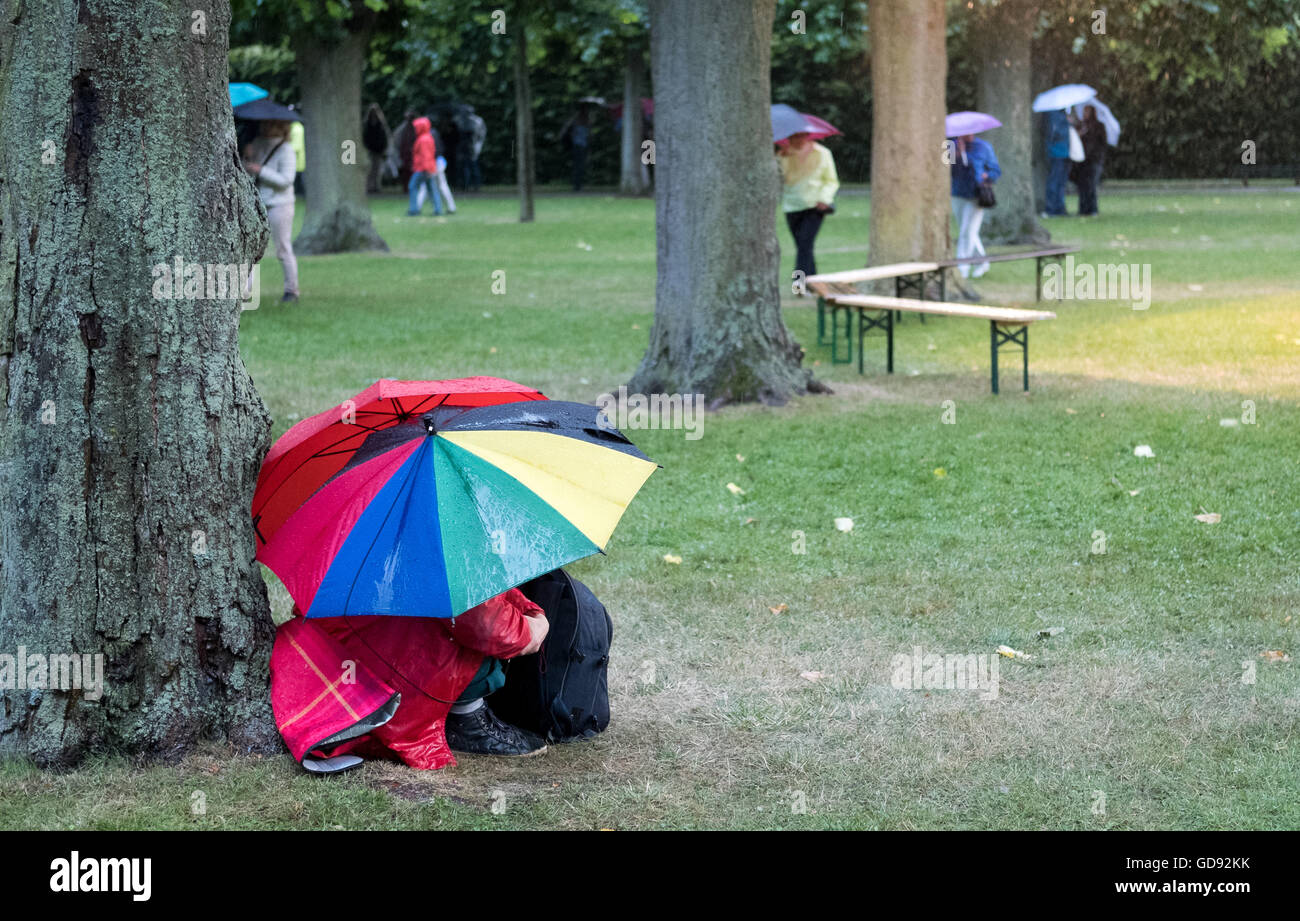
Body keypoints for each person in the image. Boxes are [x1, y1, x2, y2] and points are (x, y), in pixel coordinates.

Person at [242, 119, 300, 302]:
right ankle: (245, 290)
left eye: (271, 124)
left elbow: (286, 180)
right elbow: (248, 172)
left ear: (281, 127)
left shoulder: (286, 150)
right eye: (265, 124)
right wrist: (248, 159)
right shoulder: (256, 144)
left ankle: (291, 290)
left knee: (282, 247)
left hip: (279, 204)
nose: (266, 127)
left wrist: (261, 170)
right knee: (249, 249)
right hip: (258, 203)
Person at [777, 131, 839, 281]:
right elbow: (781, 180)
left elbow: (831, 180)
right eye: (794, 137)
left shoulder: (823, 153)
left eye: (801, 136)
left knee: (804, 245)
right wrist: (782, 159)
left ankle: (799, 284)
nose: (798, 140)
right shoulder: (783, 155)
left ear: (807, 136)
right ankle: (813, 281)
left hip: (815, 206)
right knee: (804, 247)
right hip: (792, 206)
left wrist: (824, 199)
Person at [949, 133, 1001, 284]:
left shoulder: (983, 147)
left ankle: (962, 268)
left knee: (967, 231)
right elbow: (945, 170)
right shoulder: (950, 146)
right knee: (967, 231)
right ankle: (982, 262)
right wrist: (958, 154)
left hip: (976, 195)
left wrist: (987, 176)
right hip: (958, 193)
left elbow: (995, 170)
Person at [407, 116, 444, 216]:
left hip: (423, 169)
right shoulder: (427, 137)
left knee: (412, 186)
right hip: (428, 168)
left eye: (416, 127)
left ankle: (414, 209)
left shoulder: (423, 140)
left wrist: (426, 169)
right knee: (432, 189)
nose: (415, 129)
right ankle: (438, 209)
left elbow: (425, 156)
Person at [1074, 104, 1106, 216]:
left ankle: (1092, 209)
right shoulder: (1080, 126)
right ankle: (1083, 209)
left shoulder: (1099, 126)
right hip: (1082, 161)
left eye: (1087, 112)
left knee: (1091, 185)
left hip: (1094, 160)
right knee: (1082, 185)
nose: (1084, 114)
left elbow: (1101, 143)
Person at [1043, 108, 1071, 217]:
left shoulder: (1061, 114)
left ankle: (1060, 208)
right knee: (1054, 181)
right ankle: (1051, 209)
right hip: (1056, 153)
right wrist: (1067, 124)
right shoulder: (1053, 115)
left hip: (1065, 152)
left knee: (1061, 183)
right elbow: (1053, 133)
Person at [362, 103, 390, 194]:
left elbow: (384, 137)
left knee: (377, 170)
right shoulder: (367, 125)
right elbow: (365, 137)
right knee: (370, 169)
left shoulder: (381, 124)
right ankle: (370, 186)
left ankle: (376, 186)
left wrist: (384, 148)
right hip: (370, 150)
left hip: (378, 150)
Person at [288, 115, 306, 198]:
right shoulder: (297, 127)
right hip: (299, 160)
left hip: (297, 160)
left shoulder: (296, 129)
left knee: (299, 179)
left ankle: (301, 195)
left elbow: (296, 147)